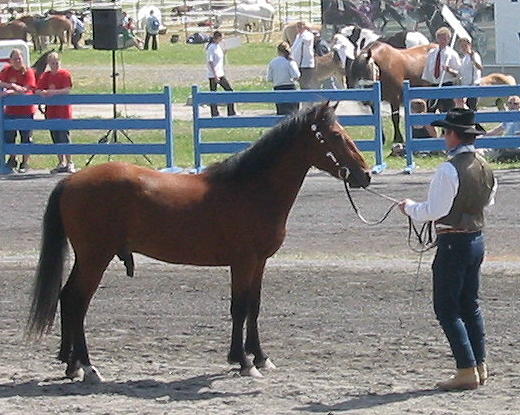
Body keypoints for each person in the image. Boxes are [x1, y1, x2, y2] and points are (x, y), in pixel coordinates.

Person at [398, 108, 496, 391]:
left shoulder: (448, 169)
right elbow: (486, 203)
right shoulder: (484, 166)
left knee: (447, 308)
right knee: (470, 305)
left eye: (445, 132)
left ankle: (466, 369)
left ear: (453, 135)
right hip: (476, 239)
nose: (443, 137)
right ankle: (479, 365)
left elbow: (436, 210)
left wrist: (410, 209)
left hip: (453, 243)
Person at [35, 52, 75, 174]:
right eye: (52, 63)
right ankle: (61, 162)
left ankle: (70, 162)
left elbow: (67, 89)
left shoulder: (65, 74)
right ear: (48, 64)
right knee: (55, 137)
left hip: (63, 111)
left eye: (56, 63)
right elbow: (37, 89)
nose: (54, 65)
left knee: (65, 137)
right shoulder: (46, 76)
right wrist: (41, 92)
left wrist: (53, 93)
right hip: (51, 111)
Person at [0, 48, 36, 173]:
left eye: (19, 58)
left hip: (26, 109)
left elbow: (26, 89)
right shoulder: (6, 70)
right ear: (10, 60)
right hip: (11, 111)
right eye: (14, 59)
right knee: (9, 137)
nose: (17, 61)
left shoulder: (28, 72)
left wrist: (10, 91)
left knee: (26, 137)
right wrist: (11, 86)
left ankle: (25, 162)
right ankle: (12, 159)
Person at [422, 27, 461, 112]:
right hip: (434, 86)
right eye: (440, 38)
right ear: (437, 39)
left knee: (447, 112)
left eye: (445, 38)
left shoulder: (452, 54)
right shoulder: (432, 53)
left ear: (449, 39)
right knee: (430, 112)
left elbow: (459, 74)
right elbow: (427, 72)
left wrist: (449, 70)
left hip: (446, 86)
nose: (442, 40)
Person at [206, 31, 236, 117]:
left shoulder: (218, 46)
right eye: (221, 37)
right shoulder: (211, 47)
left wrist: (225, 52)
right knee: (214, 93)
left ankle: (231, 112)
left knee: (229, 91)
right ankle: (214, 113)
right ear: (217, 37)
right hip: (214, 75)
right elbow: (210, 62)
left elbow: (219, 57)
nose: (223, 39)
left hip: (220, 73)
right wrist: (215, 75)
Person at [266, 42, 300, 116]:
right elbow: (296, 75)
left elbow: (269, 78)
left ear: (278, 51)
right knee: (293, 114)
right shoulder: (290, 61)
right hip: (290, 88)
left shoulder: (272, 62)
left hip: (278, 88)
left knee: (281, 112)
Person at [482, 95, 520, 161]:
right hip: (505, 145)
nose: (512, 106)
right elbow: (496, 131)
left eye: (515, 104)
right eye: (510, 103)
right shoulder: (508, 117)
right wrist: (482, 135)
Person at [457, 37, 482, 110]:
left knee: (472, 106)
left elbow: (480, 67)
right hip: (465, 85)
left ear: (469, 45)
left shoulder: (474, 55)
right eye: (462, 46)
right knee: (466, 106)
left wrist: (473, 60)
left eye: (465, 45)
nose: (463, 48)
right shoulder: (463, 58)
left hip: (473, 85)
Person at [291, 21, 316, 90]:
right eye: (297, 27)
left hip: (306, 64)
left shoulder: (308, 35)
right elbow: (294, 47)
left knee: (306, 85)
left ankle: (310, 100)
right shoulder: (298, 36)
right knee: (300, 84)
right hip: (298, 64)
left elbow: (306, 40)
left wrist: (308, 29)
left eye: (300, 27)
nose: (298, 29)